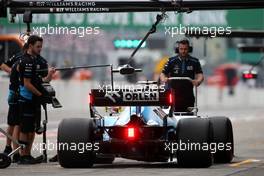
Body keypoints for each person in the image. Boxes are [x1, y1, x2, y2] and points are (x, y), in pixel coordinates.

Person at [18, 35, 55, 164]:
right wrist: (40, 95)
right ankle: (23, 156)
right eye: (38, 47)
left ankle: (27, 155)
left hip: (34, 100)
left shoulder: (35, 60)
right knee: (25, 129)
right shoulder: (26, 61)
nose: (40, 49)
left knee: (32, 129)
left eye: (41, 47)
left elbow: (41, 81)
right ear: (30, 46)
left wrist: (50, 74)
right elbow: (27, 84)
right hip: (26, 99)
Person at [1, 44, 28, 162]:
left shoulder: (35, 59)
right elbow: (3, 65)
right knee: (13, 122)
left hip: (22, 93)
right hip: (15, 92)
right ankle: (9, 148)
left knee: (17, 123)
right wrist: (14, 73)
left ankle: (14, 149)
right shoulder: (19, 57)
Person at [160, 39, 204, 112]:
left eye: (185, 49)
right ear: (178, 49)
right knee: (172, 114)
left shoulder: (195, 61)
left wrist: (198, 81)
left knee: (189, 116)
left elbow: (200, 74)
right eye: (181, 49)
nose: (183, 51)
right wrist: (164, 79)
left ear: (189, 49)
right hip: (174, 93)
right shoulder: (171, 61)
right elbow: (162, 74)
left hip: (188, 94)